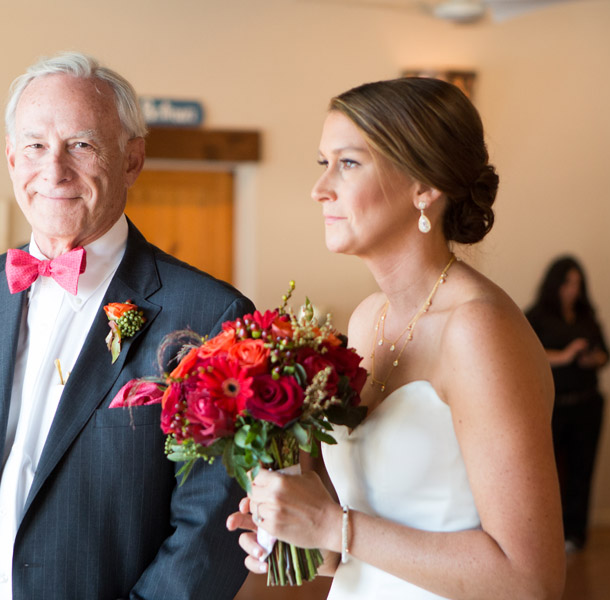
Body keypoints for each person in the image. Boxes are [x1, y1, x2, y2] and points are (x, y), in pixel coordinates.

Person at [0, 52, 253, 600]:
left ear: (131, 159)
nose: (53, 170)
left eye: (81, 145)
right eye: (34, 146)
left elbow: (209, 530)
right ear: (10, 158)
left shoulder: (211, 317)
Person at [228, 77, 566, 599]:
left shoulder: (478, 329)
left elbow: (531, 581)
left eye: (348, 163)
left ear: (423, 186)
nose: (320, 189)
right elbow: (353, 548)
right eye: (324, 163)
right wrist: (296, 536)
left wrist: (332, 526)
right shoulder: (367, 321)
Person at [525, 255, 610, 553]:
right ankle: (544, 535)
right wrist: (565, 356)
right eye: (567, 283)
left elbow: (605, 355)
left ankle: (575, 535)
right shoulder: (536, 316)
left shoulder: (587, 316)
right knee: (543, 473)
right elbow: (526, 354)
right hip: (552, 406)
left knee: (581, 471)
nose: (573, 289)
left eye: (578, 283)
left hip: (587, 405)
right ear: (554, 284)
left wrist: (590, 358)